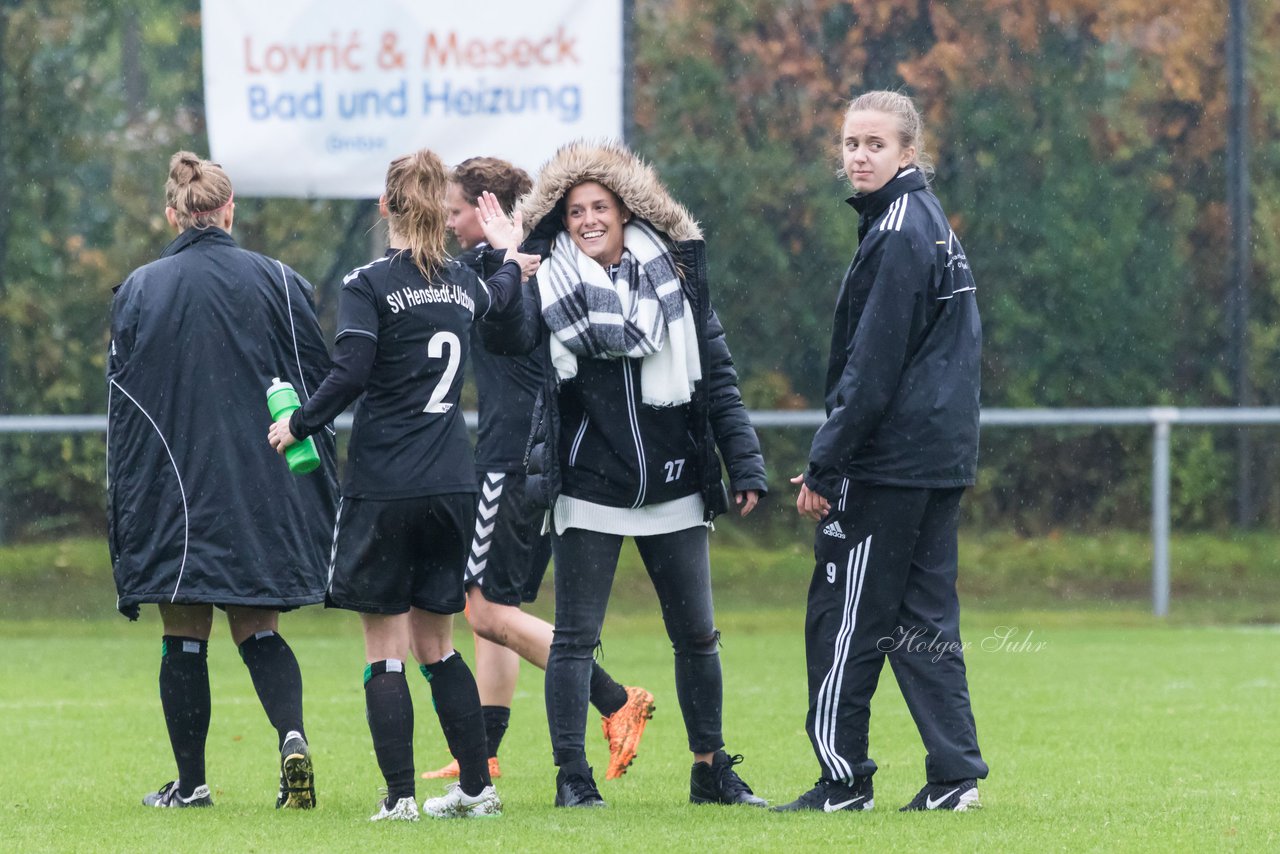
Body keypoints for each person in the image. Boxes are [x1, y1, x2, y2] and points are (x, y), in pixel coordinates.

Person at [476, 140, 769, 809]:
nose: (588, 219)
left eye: (600, 206)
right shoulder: (548, 284)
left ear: (628, 211)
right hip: (589, 484)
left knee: (697, 634)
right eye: (575, 210)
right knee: (575, 638)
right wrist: (506, 259)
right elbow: (501, 335)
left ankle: (710, 770)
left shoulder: (677, 284)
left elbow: (716, 380)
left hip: (675, 484)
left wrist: (744, 461)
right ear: (563, 220)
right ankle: (572, 778)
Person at [267, 148, 540, 822]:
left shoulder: (369, 282)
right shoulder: (458, 281)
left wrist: (297, 424)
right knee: (438, 645)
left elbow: (352, 370)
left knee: (384, 650)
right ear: (442, 218)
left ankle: (400, 798)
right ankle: (478, 788)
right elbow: (503, 295)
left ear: (386, 206)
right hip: (453, 485)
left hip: (386, 485)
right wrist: (510, 255)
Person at [776, 90, 988, 813]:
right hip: (936, 457)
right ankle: (955, 778)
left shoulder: (899, 230)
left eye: (874, 144)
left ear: (908, 152)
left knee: (844, 617)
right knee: (923, 621)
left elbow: (872, 367)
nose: (858, 156)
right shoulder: (926, 222)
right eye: (849, 144)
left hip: (892, 464)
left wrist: (829, 461)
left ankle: (842, 781)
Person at [107, 150, 337, 810]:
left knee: (183, 633)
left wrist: (127, 507)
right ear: (229, 210)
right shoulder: (281, 282)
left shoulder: (140, 289)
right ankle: (291, 737)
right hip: (262, 475)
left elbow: (127, 412)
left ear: (174, 214)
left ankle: (192, 782)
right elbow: (316, 385)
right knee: (257, 629)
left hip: (175, 487)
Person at [420, 157, 654, 785]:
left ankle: (614, 699)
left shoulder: (502, 267)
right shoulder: (536, 261)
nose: (447, 221)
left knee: (483, 612)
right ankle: (486, 752)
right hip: (536, 458)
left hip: (511, 458)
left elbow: (428, 283)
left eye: (455, 209)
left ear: (491, 209)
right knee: (494, 608)